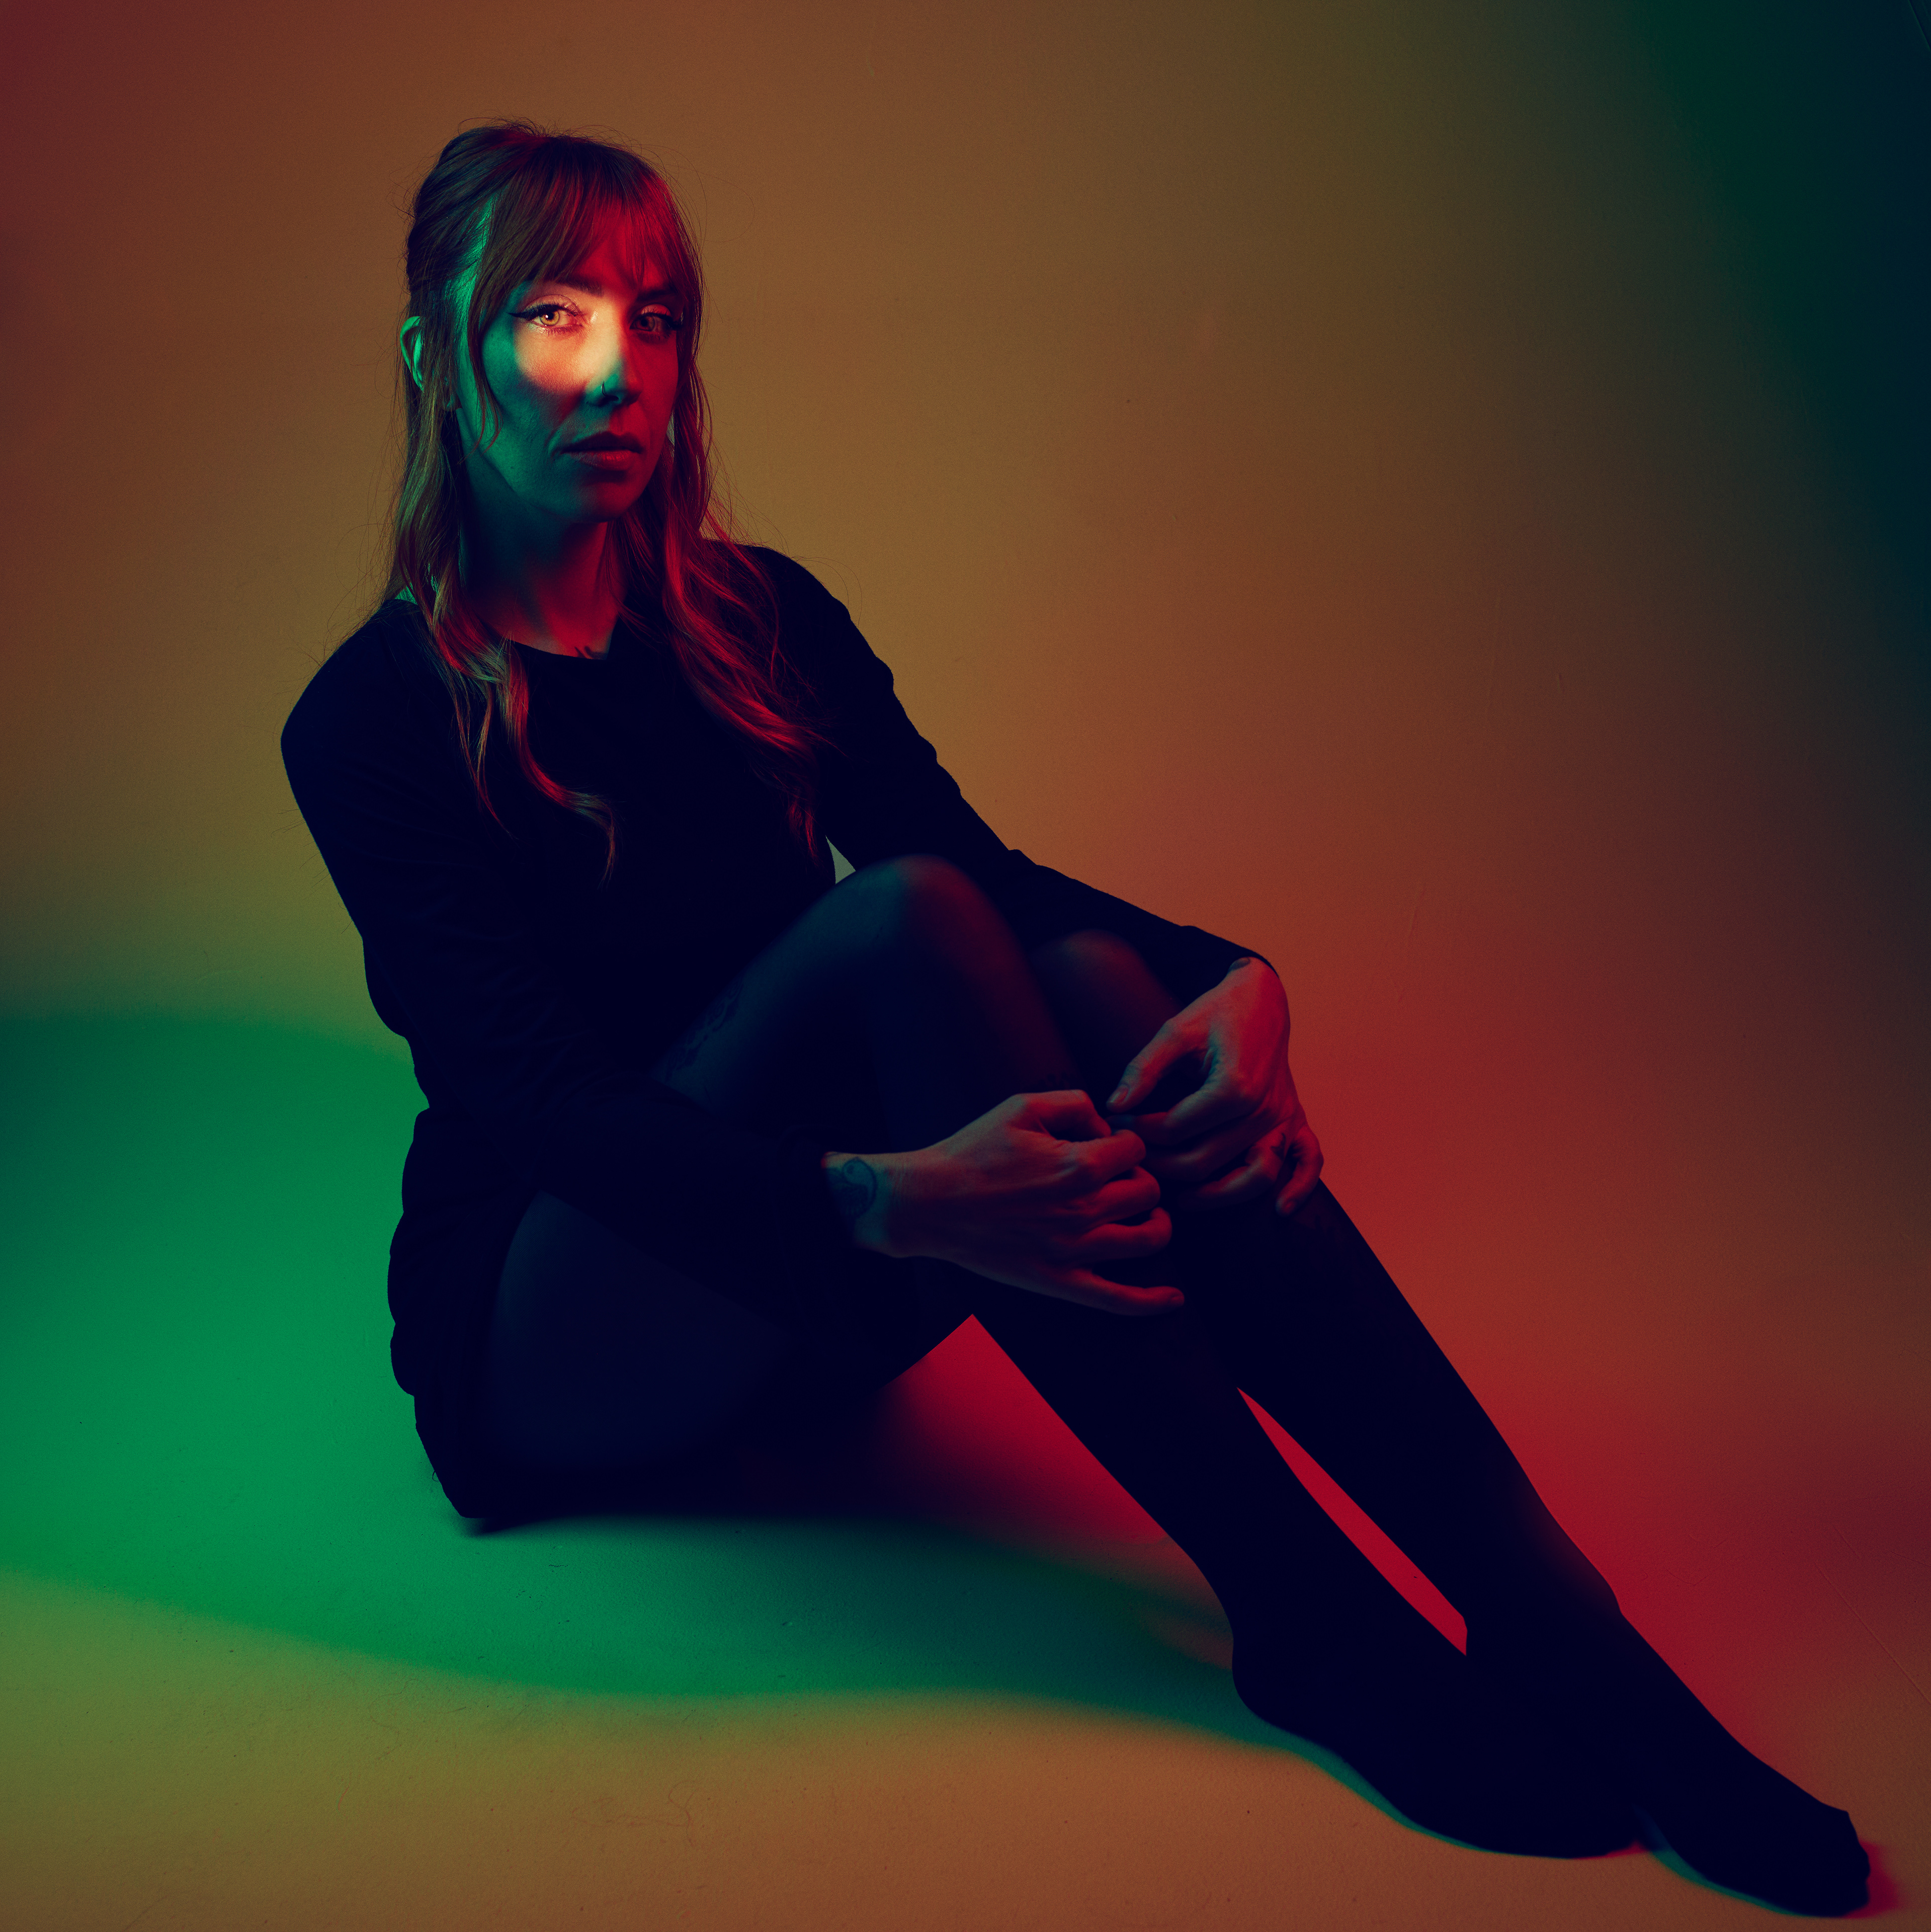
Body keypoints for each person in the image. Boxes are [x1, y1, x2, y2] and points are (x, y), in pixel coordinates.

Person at [281, 121, 1869, 1913]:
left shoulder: (757, 619)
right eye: (554, 318)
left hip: (811, 1281)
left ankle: (1555, 1622)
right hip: (561, 1324)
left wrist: (1241, 980)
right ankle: (1308, 1613)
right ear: (438, 354)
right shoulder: (374, 720)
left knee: (1097, 982)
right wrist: (876, 1201)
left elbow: (987, 871)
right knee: (899, 929)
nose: (619, 373)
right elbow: (539, 1102)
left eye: (653, 320)